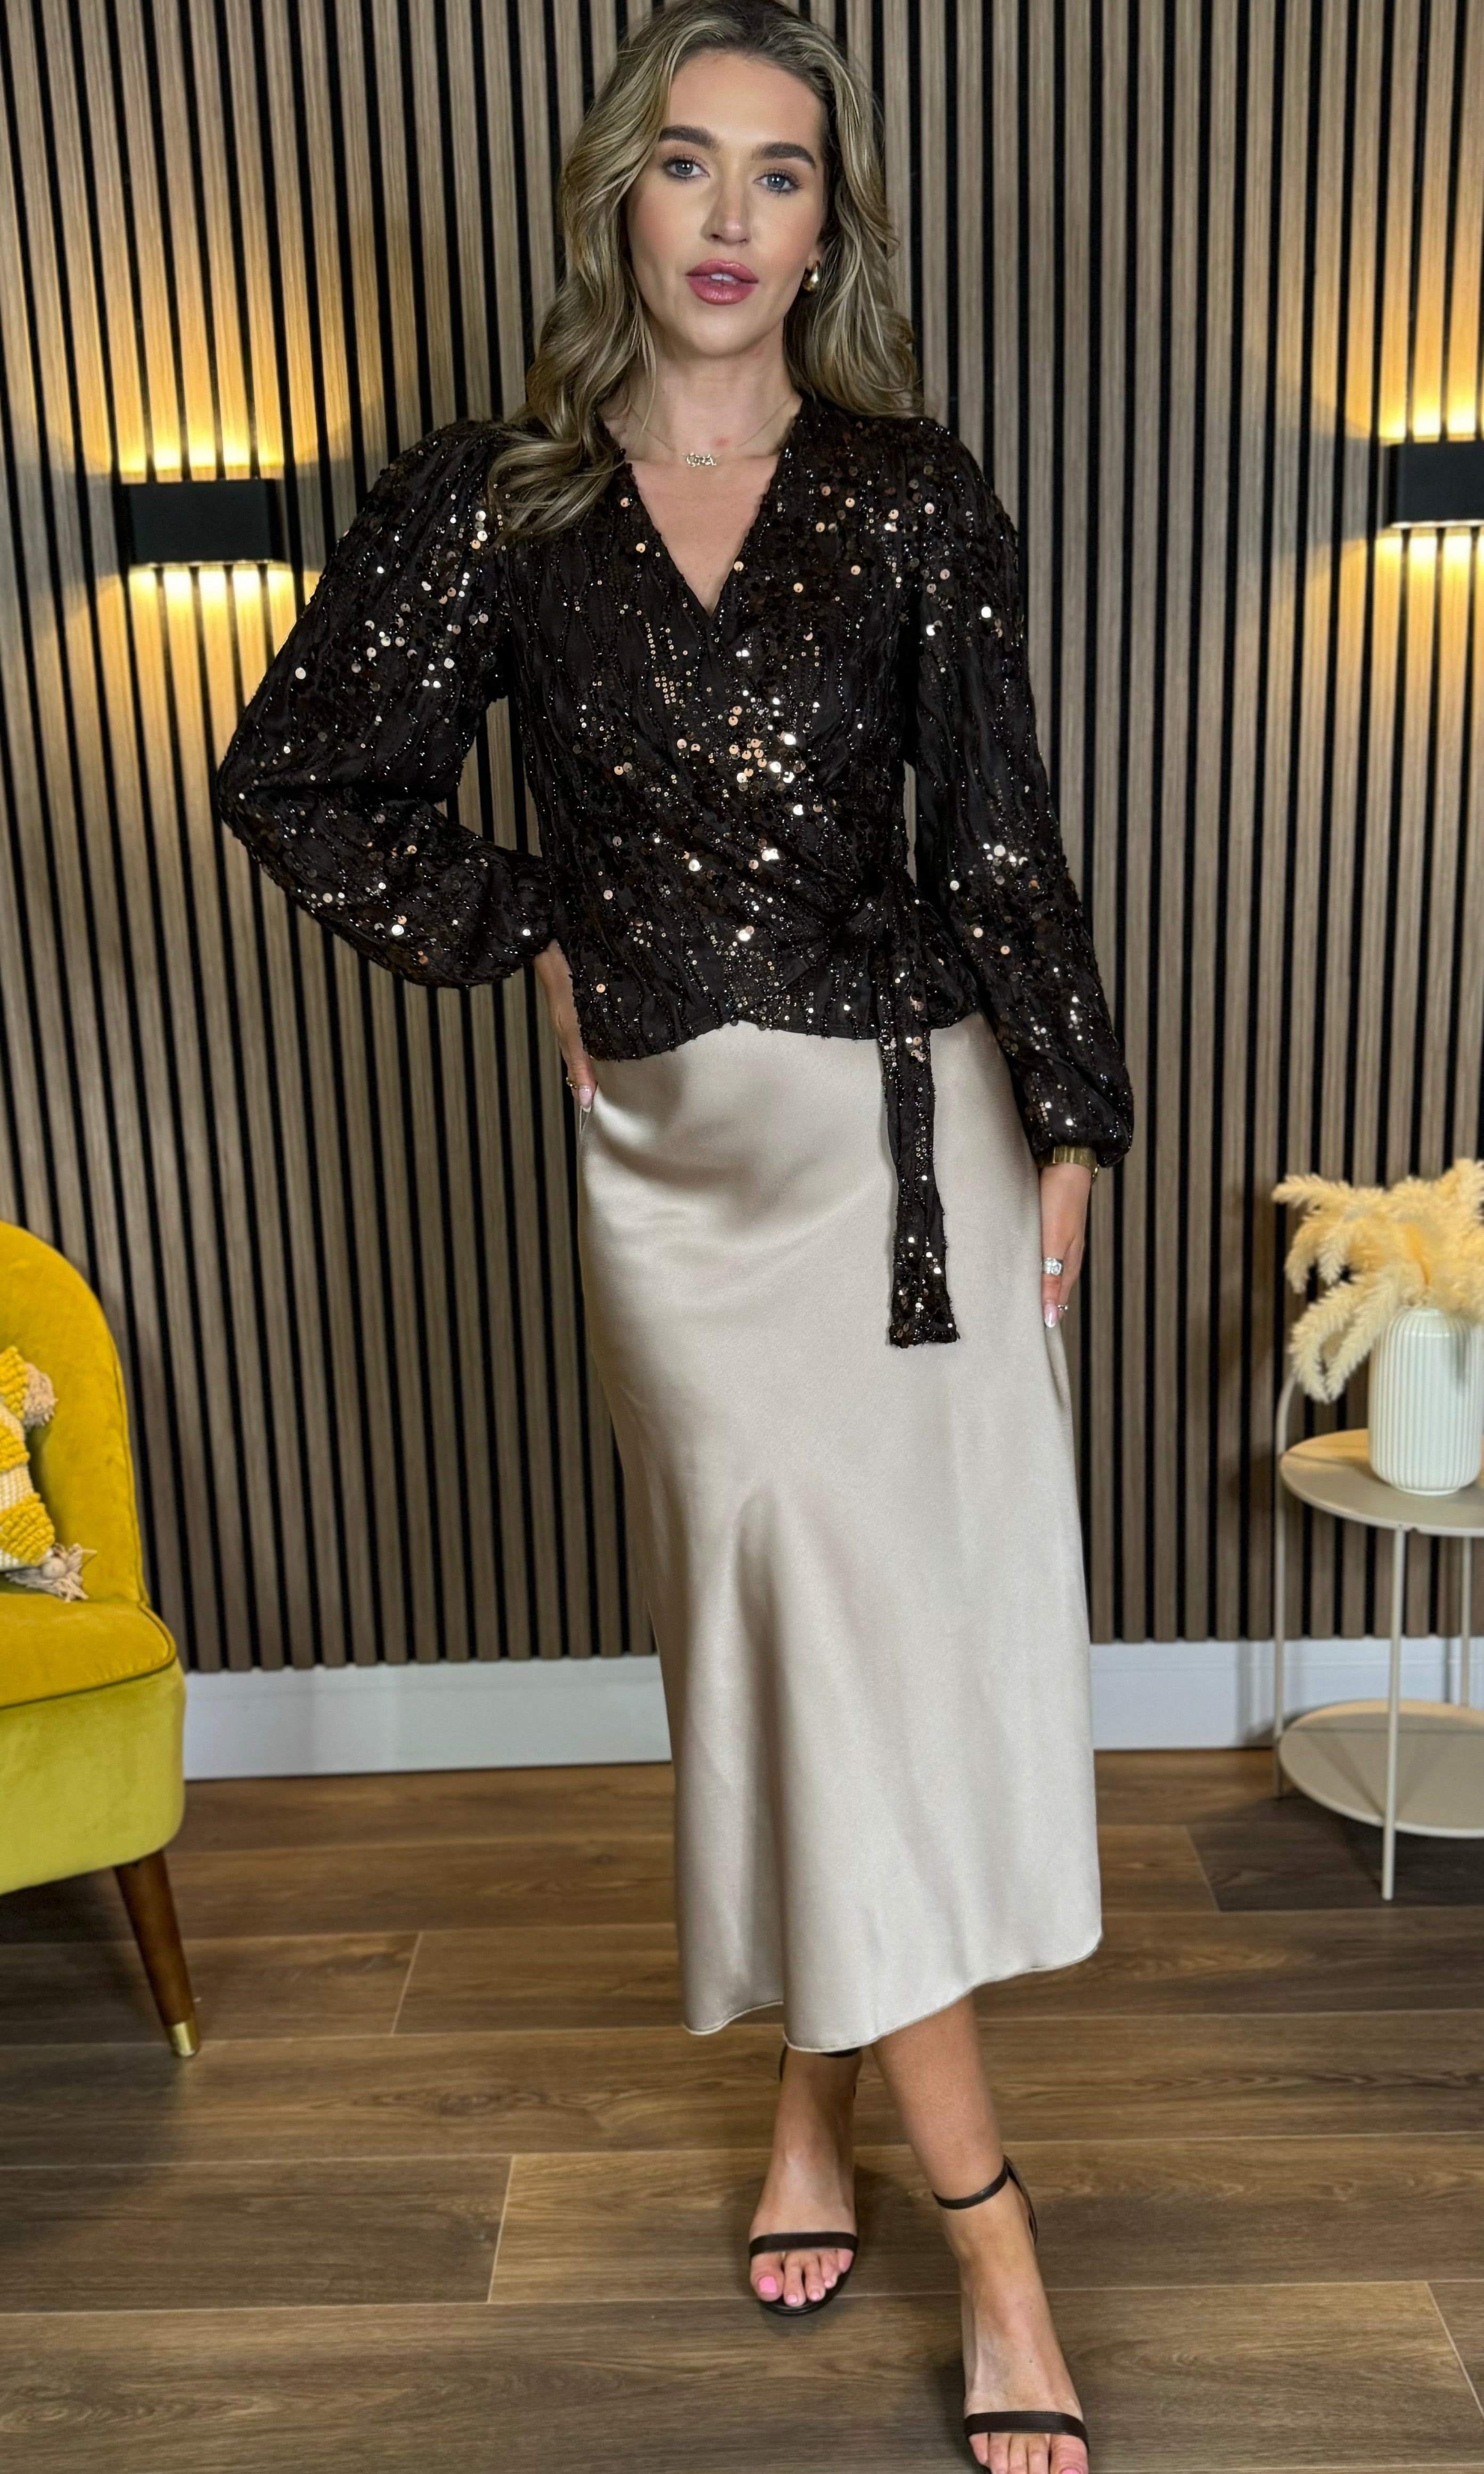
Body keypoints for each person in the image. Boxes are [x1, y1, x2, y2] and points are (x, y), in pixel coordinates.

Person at [212, 5, 1134, 2464]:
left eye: (781, 173)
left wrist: (1069, 1119)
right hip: (686, 1192)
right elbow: (301, 775)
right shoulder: (495, 505)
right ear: (621, 196)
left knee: (873, 1670)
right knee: (795, 1650)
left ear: (831, 226)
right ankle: (992, 2229)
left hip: (913, 1143)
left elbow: (997, 830)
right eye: (689, 164)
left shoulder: (912, 497)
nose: (731, 216)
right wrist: (533, 924)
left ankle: (855, 2137)